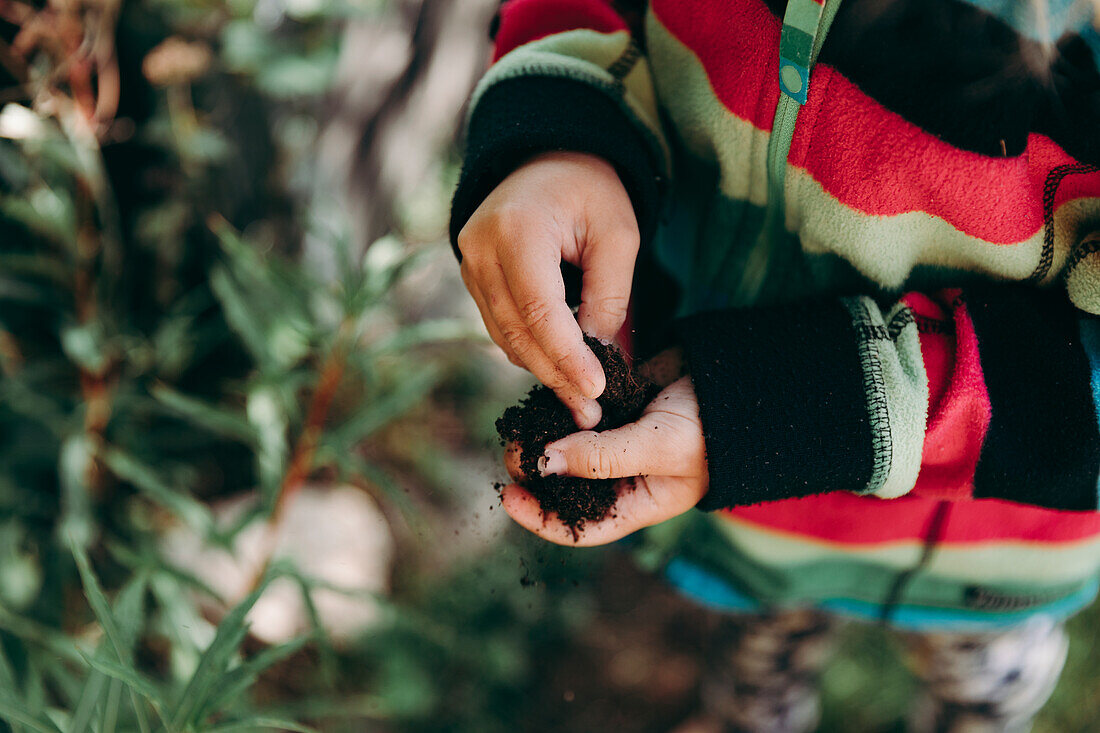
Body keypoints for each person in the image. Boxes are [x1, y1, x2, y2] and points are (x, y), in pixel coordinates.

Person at [450, 0, 1100, 729]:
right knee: (760, 654)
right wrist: (562, 135)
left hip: (996, 544)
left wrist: (792, 409)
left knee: (985, 685)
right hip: (749, 491)